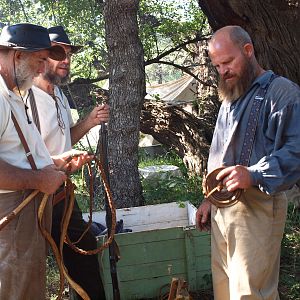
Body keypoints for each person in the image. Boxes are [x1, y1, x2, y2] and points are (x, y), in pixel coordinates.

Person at [196, 25, 300, 300]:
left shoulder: (283, 93)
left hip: (258, 207)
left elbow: (296, 150)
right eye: (217, 65)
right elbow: (219, 151)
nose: (223, 71)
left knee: (250, 294)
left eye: (228, 62)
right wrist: (209, 198)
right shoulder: (230, 94)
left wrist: (253, 174)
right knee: (225, 290)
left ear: (248, 50)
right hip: (222, 208)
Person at [29, 26, 109, 300]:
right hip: (31, 199)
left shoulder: (60, 95)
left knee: (83, 260)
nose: (66, 59)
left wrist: (89, 121)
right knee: (29, 271)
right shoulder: (24, 99)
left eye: (69, 53)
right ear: (40, 57)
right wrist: (57, 165)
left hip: (61, 194)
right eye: (57, 52)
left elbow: (63, 140)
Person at [0, 23, 78, 300]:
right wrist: (39, 179)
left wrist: (56, 163)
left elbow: (19, 155)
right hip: (12, 211)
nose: (43, 68)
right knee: (17, 290)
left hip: (25, 207)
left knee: (30, 286)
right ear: (17, 55)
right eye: (40, 60)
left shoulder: (14, 94)